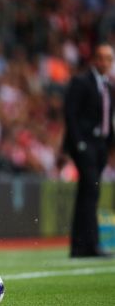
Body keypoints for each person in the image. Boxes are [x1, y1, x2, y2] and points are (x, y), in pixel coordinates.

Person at [63, 43, 115, 258]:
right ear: (94, 59)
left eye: (109, 59)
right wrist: (79, 144)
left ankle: (81, 245)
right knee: (90, 191)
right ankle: (87, 245)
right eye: (101, 58)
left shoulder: (108, 86)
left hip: (100, 144)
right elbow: (71, 114)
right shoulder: (81, 81)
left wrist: (109, 144)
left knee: (90, 192)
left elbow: (108, 118)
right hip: (85, 144)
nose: (105, 62)